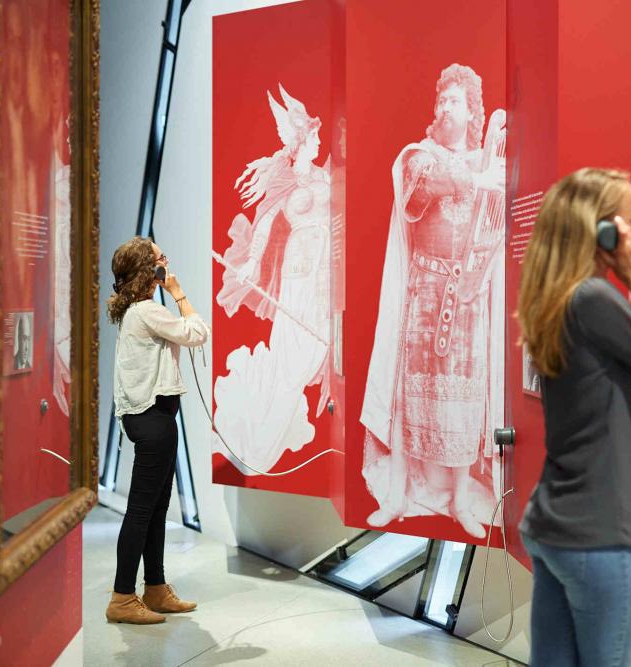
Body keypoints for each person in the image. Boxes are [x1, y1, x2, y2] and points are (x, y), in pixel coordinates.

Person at [517, 168, 631, 666]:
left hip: (556, 525)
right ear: (602, 232)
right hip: (601, 538)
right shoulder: (595, 298)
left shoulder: (559, 298)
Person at [360, 64, 506, 539]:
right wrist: (474, 178)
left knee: (467, 401)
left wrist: (486, 174)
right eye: (441, 99)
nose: (445, 107)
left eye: (455, 101)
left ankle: (463, 499)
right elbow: (418, 192)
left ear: (471, 111)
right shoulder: (418, 156)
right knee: (408, 398)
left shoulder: (489, 164)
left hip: (467, 296)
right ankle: (398, 495)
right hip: (424, 289)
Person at [213, 84, 331, 474]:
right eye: (313, 137)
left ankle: (264, 438)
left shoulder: (323, 175)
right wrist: (251, 262)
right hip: (298, 272)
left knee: (313, 352)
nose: (319, 142)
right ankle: (259, 443)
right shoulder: (287, 182)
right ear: (299, 142)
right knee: (291, 360)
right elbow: (264, 224)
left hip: (324, 272)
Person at [105, 237, 210, 625]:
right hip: (153, 421)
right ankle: (122, 597)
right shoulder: (148, 310)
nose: (166, 259)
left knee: (155, 510)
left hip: (152, 418)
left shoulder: (137, 310)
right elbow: (198, 332)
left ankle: (154, 588)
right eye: (160, 257)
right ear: (150, 270)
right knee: (141, 512)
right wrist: (178, 292)